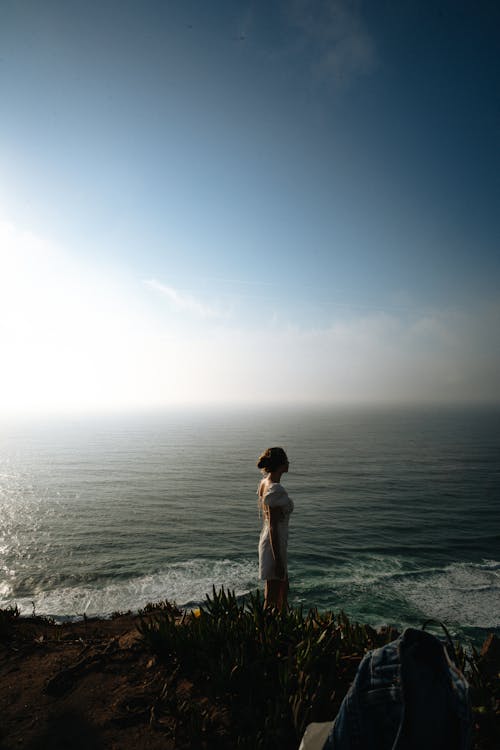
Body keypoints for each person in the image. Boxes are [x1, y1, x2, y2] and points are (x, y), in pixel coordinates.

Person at [256, 446, 294, 608]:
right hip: (274, 544)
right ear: (281, 464)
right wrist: (278, 560)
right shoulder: (275, 489)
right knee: (273, 596)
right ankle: (267, 630)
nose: (289, 463)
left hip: (271, 541)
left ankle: (276, 627)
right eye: (286, 460)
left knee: (282, 588)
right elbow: (273, 526)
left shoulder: (265, 483)